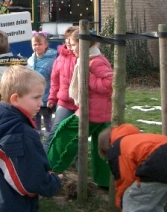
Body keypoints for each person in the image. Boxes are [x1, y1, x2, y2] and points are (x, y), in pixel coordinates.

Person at [0, 65, 62, 212]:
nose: (41, 103)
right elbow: (32, 181)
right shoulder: (21, 133)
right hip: (9, 204)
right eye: (36, 97)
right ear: (15, 99)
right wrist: (54, 182)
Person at [47, 29, 113, 188]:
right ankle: (104, 181)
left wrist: (88, 78)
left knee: (64, 133)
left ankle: (48, 169)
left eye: (74, 44)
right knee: (101, 147)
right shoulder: (89, 58)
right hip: (100, 111)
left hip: (93, 112)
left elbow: (110, 83)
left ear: (83, 44)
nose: (71, 48)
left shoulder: (94, 61)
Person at [98, 124, 167, 212]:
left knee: (132, 201)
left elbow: (125, 179)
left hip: (158, 165)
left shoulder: (116, 148)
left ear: (106, 145)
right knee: (154, 206)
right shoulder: (137, 139)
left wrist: (121, 201)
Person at [43, 26, 79, 152]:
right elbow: (55, 81)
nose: (68, 42)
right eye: (67, 39)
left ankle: (77, 162)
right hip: (65, 101)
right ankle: (46, 157)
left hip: (81, 103)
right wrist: (52, 97)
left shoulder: (84, 57)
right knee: (56, 131)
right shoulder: (60, 58)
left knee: (78, 135)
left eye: (71, 39)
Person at [27, 30, 57, 135]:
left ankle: (49, 138)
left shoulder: (51, 61)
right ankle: (37, 136)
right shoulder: (30, 60)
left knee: (47, 119)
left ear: (45, 45)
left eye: (40, 44)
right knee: (35, 118)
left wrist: (52, 97)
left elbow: (54, 80)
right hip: (33, 96)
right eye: (35, 44)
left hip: (46, 96)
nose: (37, 47)